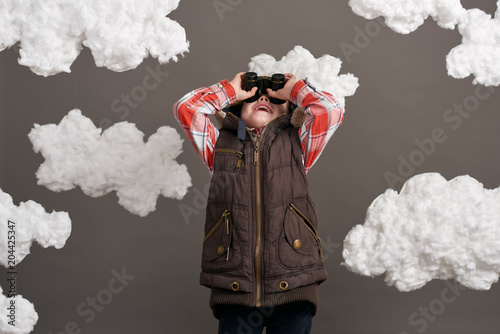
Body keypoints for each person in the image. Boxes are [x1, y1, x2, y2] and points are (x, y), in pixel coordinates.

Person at [173, 72, 344, 334]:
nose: (264, 97)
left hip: (294, 284)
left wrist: (294, 90)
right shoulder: (219, 146)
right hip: (235, 285)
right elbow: (187, 109)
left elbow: (330, 111)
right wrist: (230, 90)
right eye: (254, 96)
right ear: (237, 109)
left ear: (289, 111)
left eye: (274, 98)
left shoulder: (298, 144)